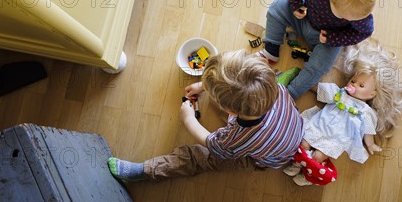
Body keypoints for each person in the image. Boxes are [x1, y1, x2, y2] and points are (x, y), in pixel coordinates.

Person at [107, 50, 304, 181]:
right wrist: (204, 86)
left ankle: (147, 170)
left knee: (199, 157)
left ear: (231, 112)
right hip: (288, 129)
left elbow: (214, 146)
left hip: (260, 158)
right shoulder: (275, 87)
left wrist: (189, 120)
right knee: (240, 95)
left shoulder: (235, 138)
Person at [285, 40, 402, 186]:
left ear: (372, 94)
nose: (354, 85)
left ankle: (309, 175)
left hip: (335, 139)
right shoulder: (339, 94)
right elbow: (321, 90)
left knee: (318, 156)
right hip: (319, 126)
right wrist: (309, 84)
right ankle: (297, 164)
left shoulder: (365, 112)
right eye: (353, 81)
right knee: (303, 143)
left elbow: (368, 130)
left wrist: (370, 144)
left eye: (361, 85)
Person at [259, 0, 379, 99]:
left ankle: (290, 93)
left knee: (320, 66)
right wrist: (295, 2)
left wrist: (335, 38)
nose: (350, 20)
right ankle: (271, 49)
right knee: (277, 7)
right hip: (304, 17)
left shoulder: (362, 17)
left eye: (353, 18)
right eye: (346, 16)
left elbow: (364, 32)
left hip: (327, 39)